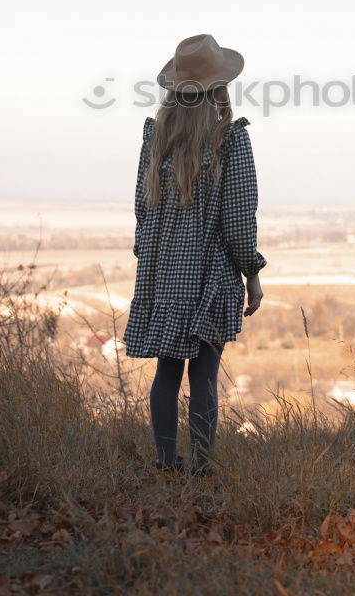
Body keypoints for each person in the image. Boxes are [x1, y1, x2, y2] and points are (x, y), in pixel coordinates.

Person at [122, 33, 267, 477]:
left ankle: (166, 465)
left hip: (165, 274)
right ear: (220, 89)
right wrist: (252, 274)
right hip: (210, 274)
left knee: (168, 371)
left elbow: (142, 213)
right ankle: (203, 469)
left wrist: (152, 263)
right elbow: (240, 220)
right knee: (203, 376)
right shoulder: (230, 141)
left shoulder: (156, 138)